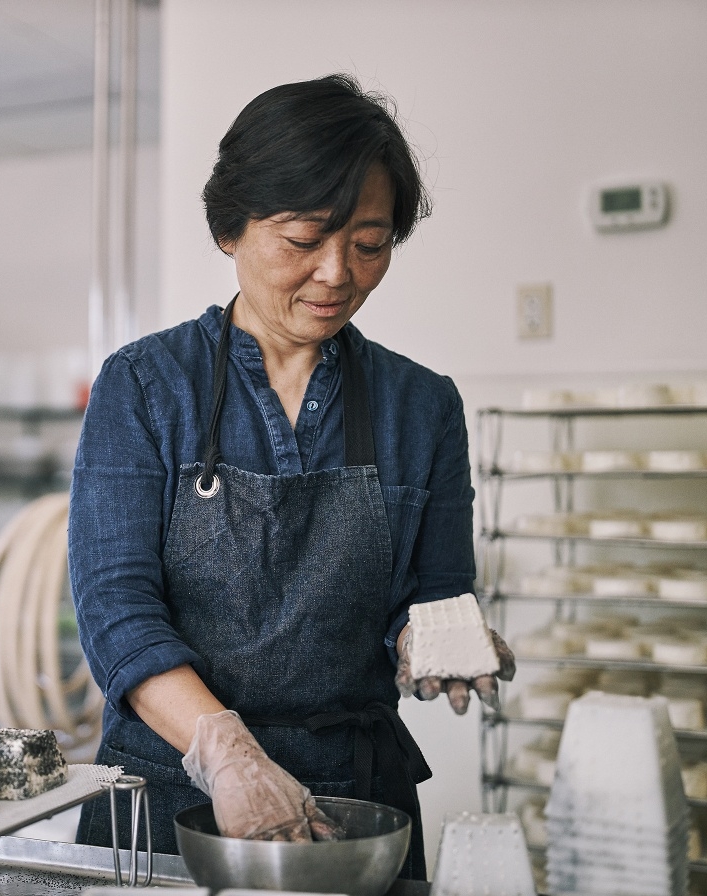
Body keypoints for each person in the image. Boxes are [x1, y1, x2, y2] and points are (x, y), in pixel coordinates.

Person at [67, 74, 514, 880]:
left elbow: (437, 588)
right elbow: (115, 609)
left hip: (354, 795)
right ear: (229, 229)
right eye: (305, 239)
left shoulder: (424, 406)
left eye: (370, 244)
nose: (338, 273)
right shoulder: (144, 386)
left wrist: (429, 639)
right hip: (170, 792)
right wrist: (226, 752)